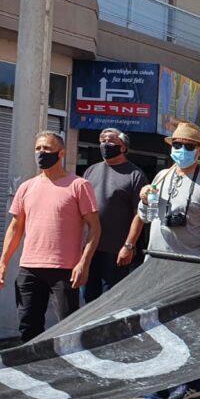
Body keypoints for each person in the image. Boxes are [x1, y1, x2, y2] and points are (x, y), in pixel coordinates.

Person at [135, 122, 200, 399]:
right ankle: (167, 391)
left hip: (188, 268)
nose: (182, 151)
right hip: (156, 266)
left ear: (199, 150)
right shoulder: (161, 177)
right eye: (177, 145)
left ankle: (166, 391)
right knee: (158, 329)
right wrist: (143, 200)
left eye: (189, 146)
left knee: (184, 329)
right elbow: (147, 218)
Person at [0, 131, 100, 342]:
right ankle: (31, 368)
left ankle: (69, 368)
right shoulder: (26, 187)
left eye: (47, 149)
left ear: (60, 154)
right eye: (38, 149)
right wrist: (3, 262)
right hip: (30, 268)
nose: (41, 153)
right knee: (27, 327)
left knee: (67, 329)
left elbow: (95, 228)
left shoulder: (79, 186)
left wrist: (83, 264)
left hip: (64, 270)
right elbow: (16, 228)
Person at [82, 128, 148, 303]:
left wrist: (129, 245)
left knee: (109, 300)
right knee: (88, 298)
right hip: (89, 248)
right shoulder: (91, 171)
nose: (105, 144)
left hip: (115, 251)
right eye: (102, 140)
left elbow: (139, 214)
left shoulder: (135, 175)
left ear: (123, 147)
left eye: (110, 141)